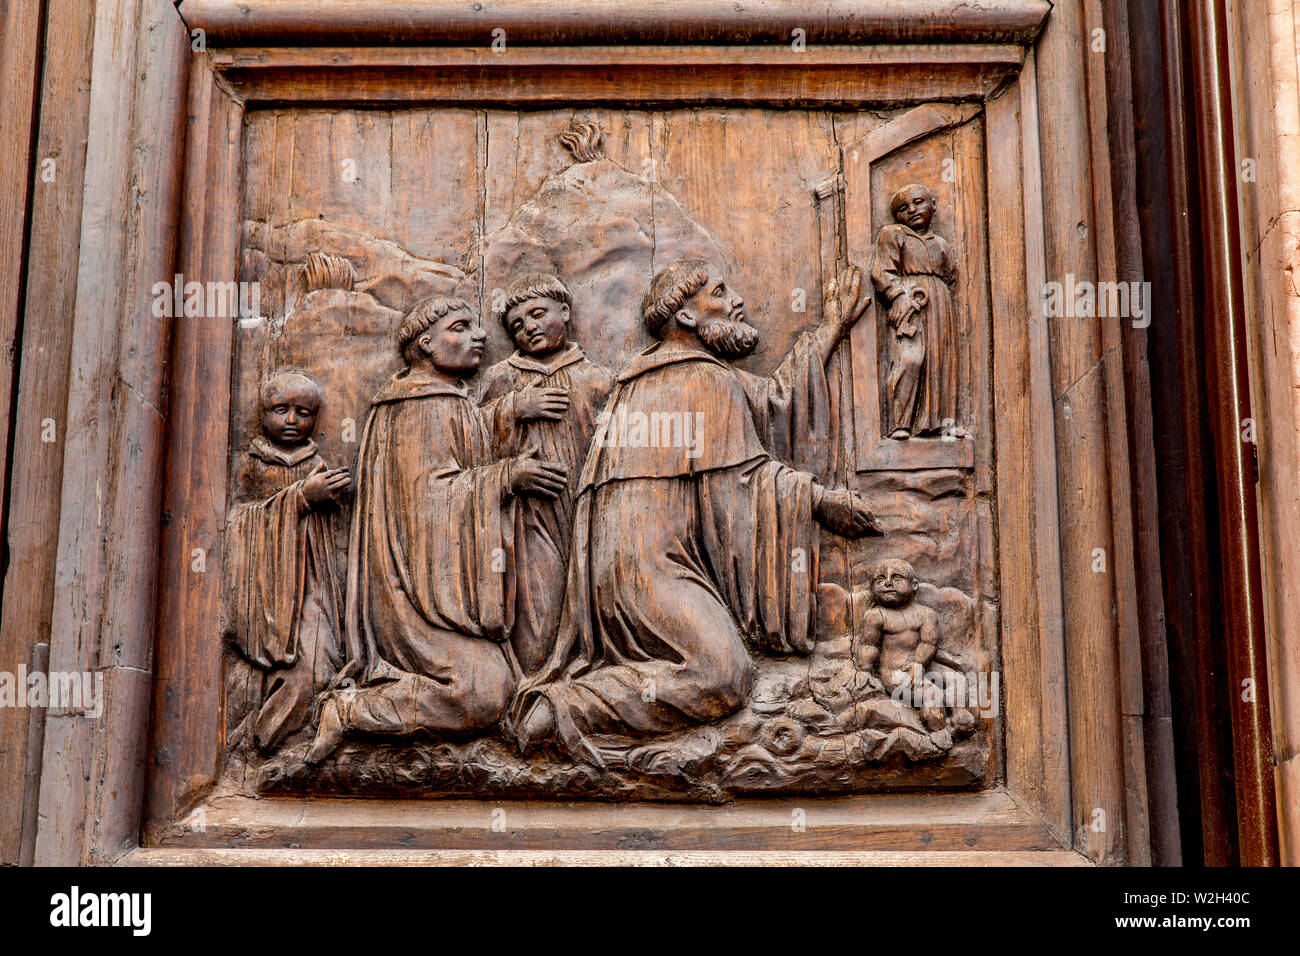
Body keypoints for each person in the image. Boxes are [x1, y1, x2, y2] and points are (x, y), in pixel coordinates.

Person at [509, 258, 883, 765]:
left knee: (709, 671)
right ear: (686, 317)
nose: (737, 301)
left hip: (615, 573)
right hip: (649, 571)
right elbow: (743, 482)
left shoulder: (646, 379)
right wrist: (820, 501)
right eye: (721, 292)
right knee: (721, 676)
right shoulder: (701, 380)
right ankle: (564, 708)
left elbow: (774, 403)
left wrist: (831, 327)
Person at [305, 296, 568, 764]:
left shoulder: (435, 398)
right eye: (460, 328)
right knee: (485, 692)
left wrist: (510, 412)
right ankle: (351, 711)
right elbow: (430, 500)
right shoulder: (419, 406)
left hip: (428, 591)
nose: (479, 336)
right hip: (414, 599)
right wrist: (507, 477)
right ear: (425, 344)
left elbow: (464, 443)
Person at [479, 273, 614, 673]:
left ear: (566, 312)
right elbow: (470, 437)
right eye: (517, 326)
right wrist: (513, 409)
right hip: (529, 517)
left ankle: (580, 682)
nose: (529, 328)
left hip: (589, 513)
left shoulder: (598, 379)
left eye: (537, 314)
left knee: (594, 606)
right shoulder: (503, 378)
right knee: (538, 614)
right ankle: (535, 682)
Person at [226, 370, 350, 753]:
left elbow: (335, 537)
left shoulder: (318, 463)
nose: (293, 420)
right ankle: (255, 741)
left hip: (313, 586)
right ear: (263, 414)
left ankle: (268, 739)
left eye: (304, 412)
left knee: (317, 665)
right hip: (269, 589)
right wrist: (298, 499)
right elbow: (238, 524)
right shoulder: (252, 465)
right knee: (268, 674)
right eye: (281, 410)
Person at [870, 183, 959, 439]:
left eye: (918, 202)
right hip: (910, 302)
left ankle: (943, 422)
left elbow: (950, 274)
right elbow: (882, 271)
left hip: (939, 304)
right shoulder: (893, 234)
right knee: (911, 359)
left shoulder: (940, 243)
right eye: (902, 208)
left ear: (933, 206)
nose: (912, 210)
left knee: (940, 360)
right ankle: (901, 422)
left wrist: (938, 292)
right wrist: (898, 296)